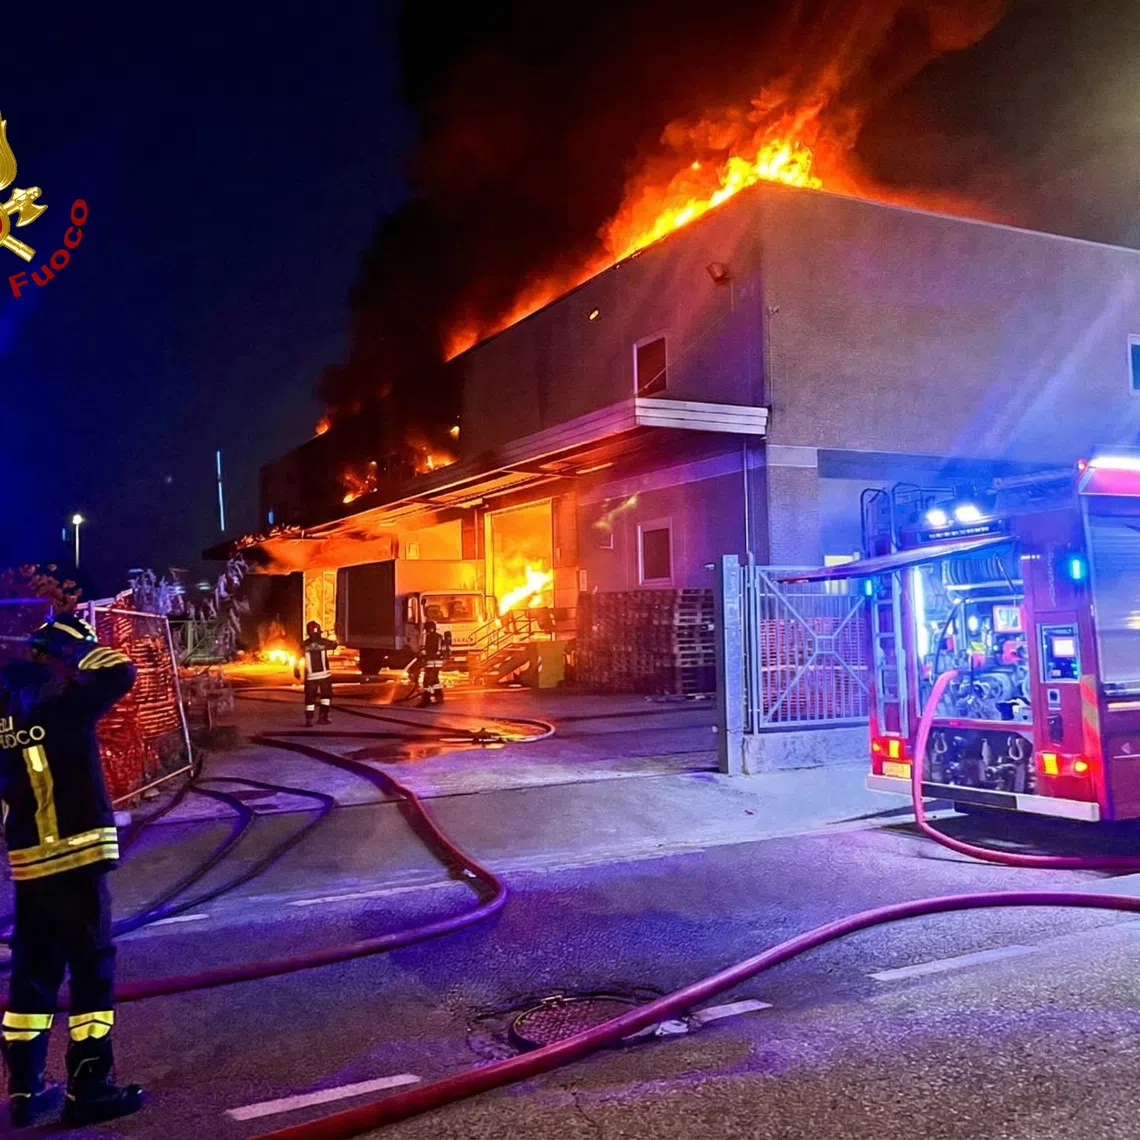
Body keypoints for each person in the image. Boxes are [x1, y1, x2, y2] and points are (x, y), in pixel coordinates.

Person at [0, 613, 144, 1128]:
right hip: (78, 858)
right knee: (91, 970)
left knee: (33, 972)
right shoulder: (66, 702)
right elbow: (121, 669)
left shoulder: (6, 713)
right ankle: (90, 1088)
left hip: (28, 863)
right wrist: (77, 643)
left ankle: (24, 1090)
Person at [295, 621, 337, 726]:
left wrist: (296, 671)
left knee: (310, 698)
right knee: (326, 697)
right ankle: (323, 718)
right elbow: (335, 645)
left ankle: (309, 720)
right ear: (318, 631)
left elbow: (297, 658)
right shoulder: (324, 642)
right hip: (324, 676)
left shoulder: (304, 644)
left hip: (311, 677)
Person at [419, 620, 445, 707]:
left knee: (427, 681)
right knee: (435, 680)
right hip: (437, 662)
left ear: (429, 628)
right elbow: (441, 650)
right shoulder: (439, 637)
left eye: (426, 628)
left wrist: (422, 656)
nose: (425, 630)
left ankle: (426, 700)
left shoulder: (428, 637)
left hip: (431, 662)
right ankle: (439, 696)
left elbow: (425, 651)